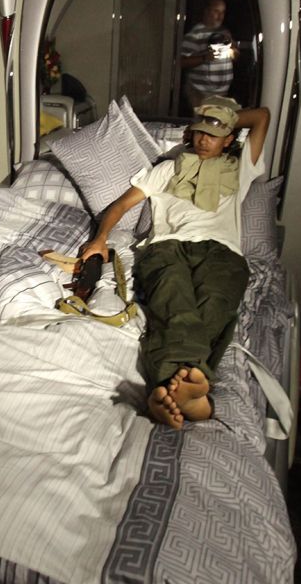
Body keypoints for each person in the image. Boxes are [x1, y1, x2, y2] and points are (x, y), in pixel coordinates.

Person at [80, 97, 270, 429]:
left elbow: (262, 117)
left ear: (229, 139)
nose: (203, 140)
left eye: (213, 135)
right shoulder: (167, 168)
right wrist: (100, 238)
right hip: (167, 248)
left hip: (221, 252)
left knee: (216, 304)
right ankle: (191, 392)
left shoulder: (241, 169)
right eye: (199, 131)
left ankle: (166, 387)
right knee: (174, 298)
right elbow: (122, 205)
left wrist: (221, 117)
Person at [179, 0, 236, 113]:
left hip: (222, 93)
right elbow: (181, 62)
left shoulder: (224, 32)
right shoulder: (195, 35)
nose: (220, 16)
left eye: (223, 12)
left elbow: (235, 55)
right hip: (201, 94)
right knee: (204, 127)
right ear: (206, 11)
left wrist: (233, 51)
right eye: (216, 11)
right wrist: (205, 57)